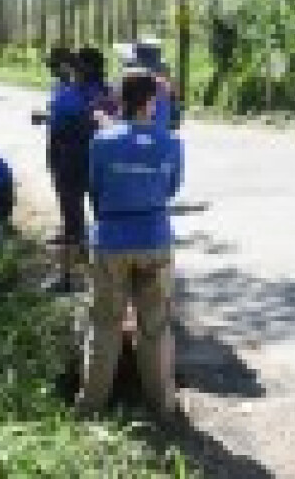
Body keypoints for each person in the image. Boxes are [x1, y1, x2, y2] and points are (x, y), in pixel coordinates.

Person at [78, 71, 183, 420]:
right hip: (154, 239)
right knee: (154, 326)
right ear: (152, 102)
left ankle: (90, 408)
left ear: (119, 100)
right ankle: (163, 409)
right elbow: (170, 189)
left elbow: (93, 187)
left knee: (105, 325)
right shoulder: (170, 142)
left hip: (110, 241)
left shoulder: (102, 141)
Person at [46, 48, 106, 292]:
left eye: (77, 66)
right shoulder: (107, 93)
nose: (74, 70)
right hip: (100, 161)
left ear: (84, 69)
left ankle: (69, 279)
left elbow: (57, 122)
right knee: (103, 217)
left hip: (70, 160)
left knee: (72, 221)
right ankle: (105, 276)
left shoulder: (68, 94)